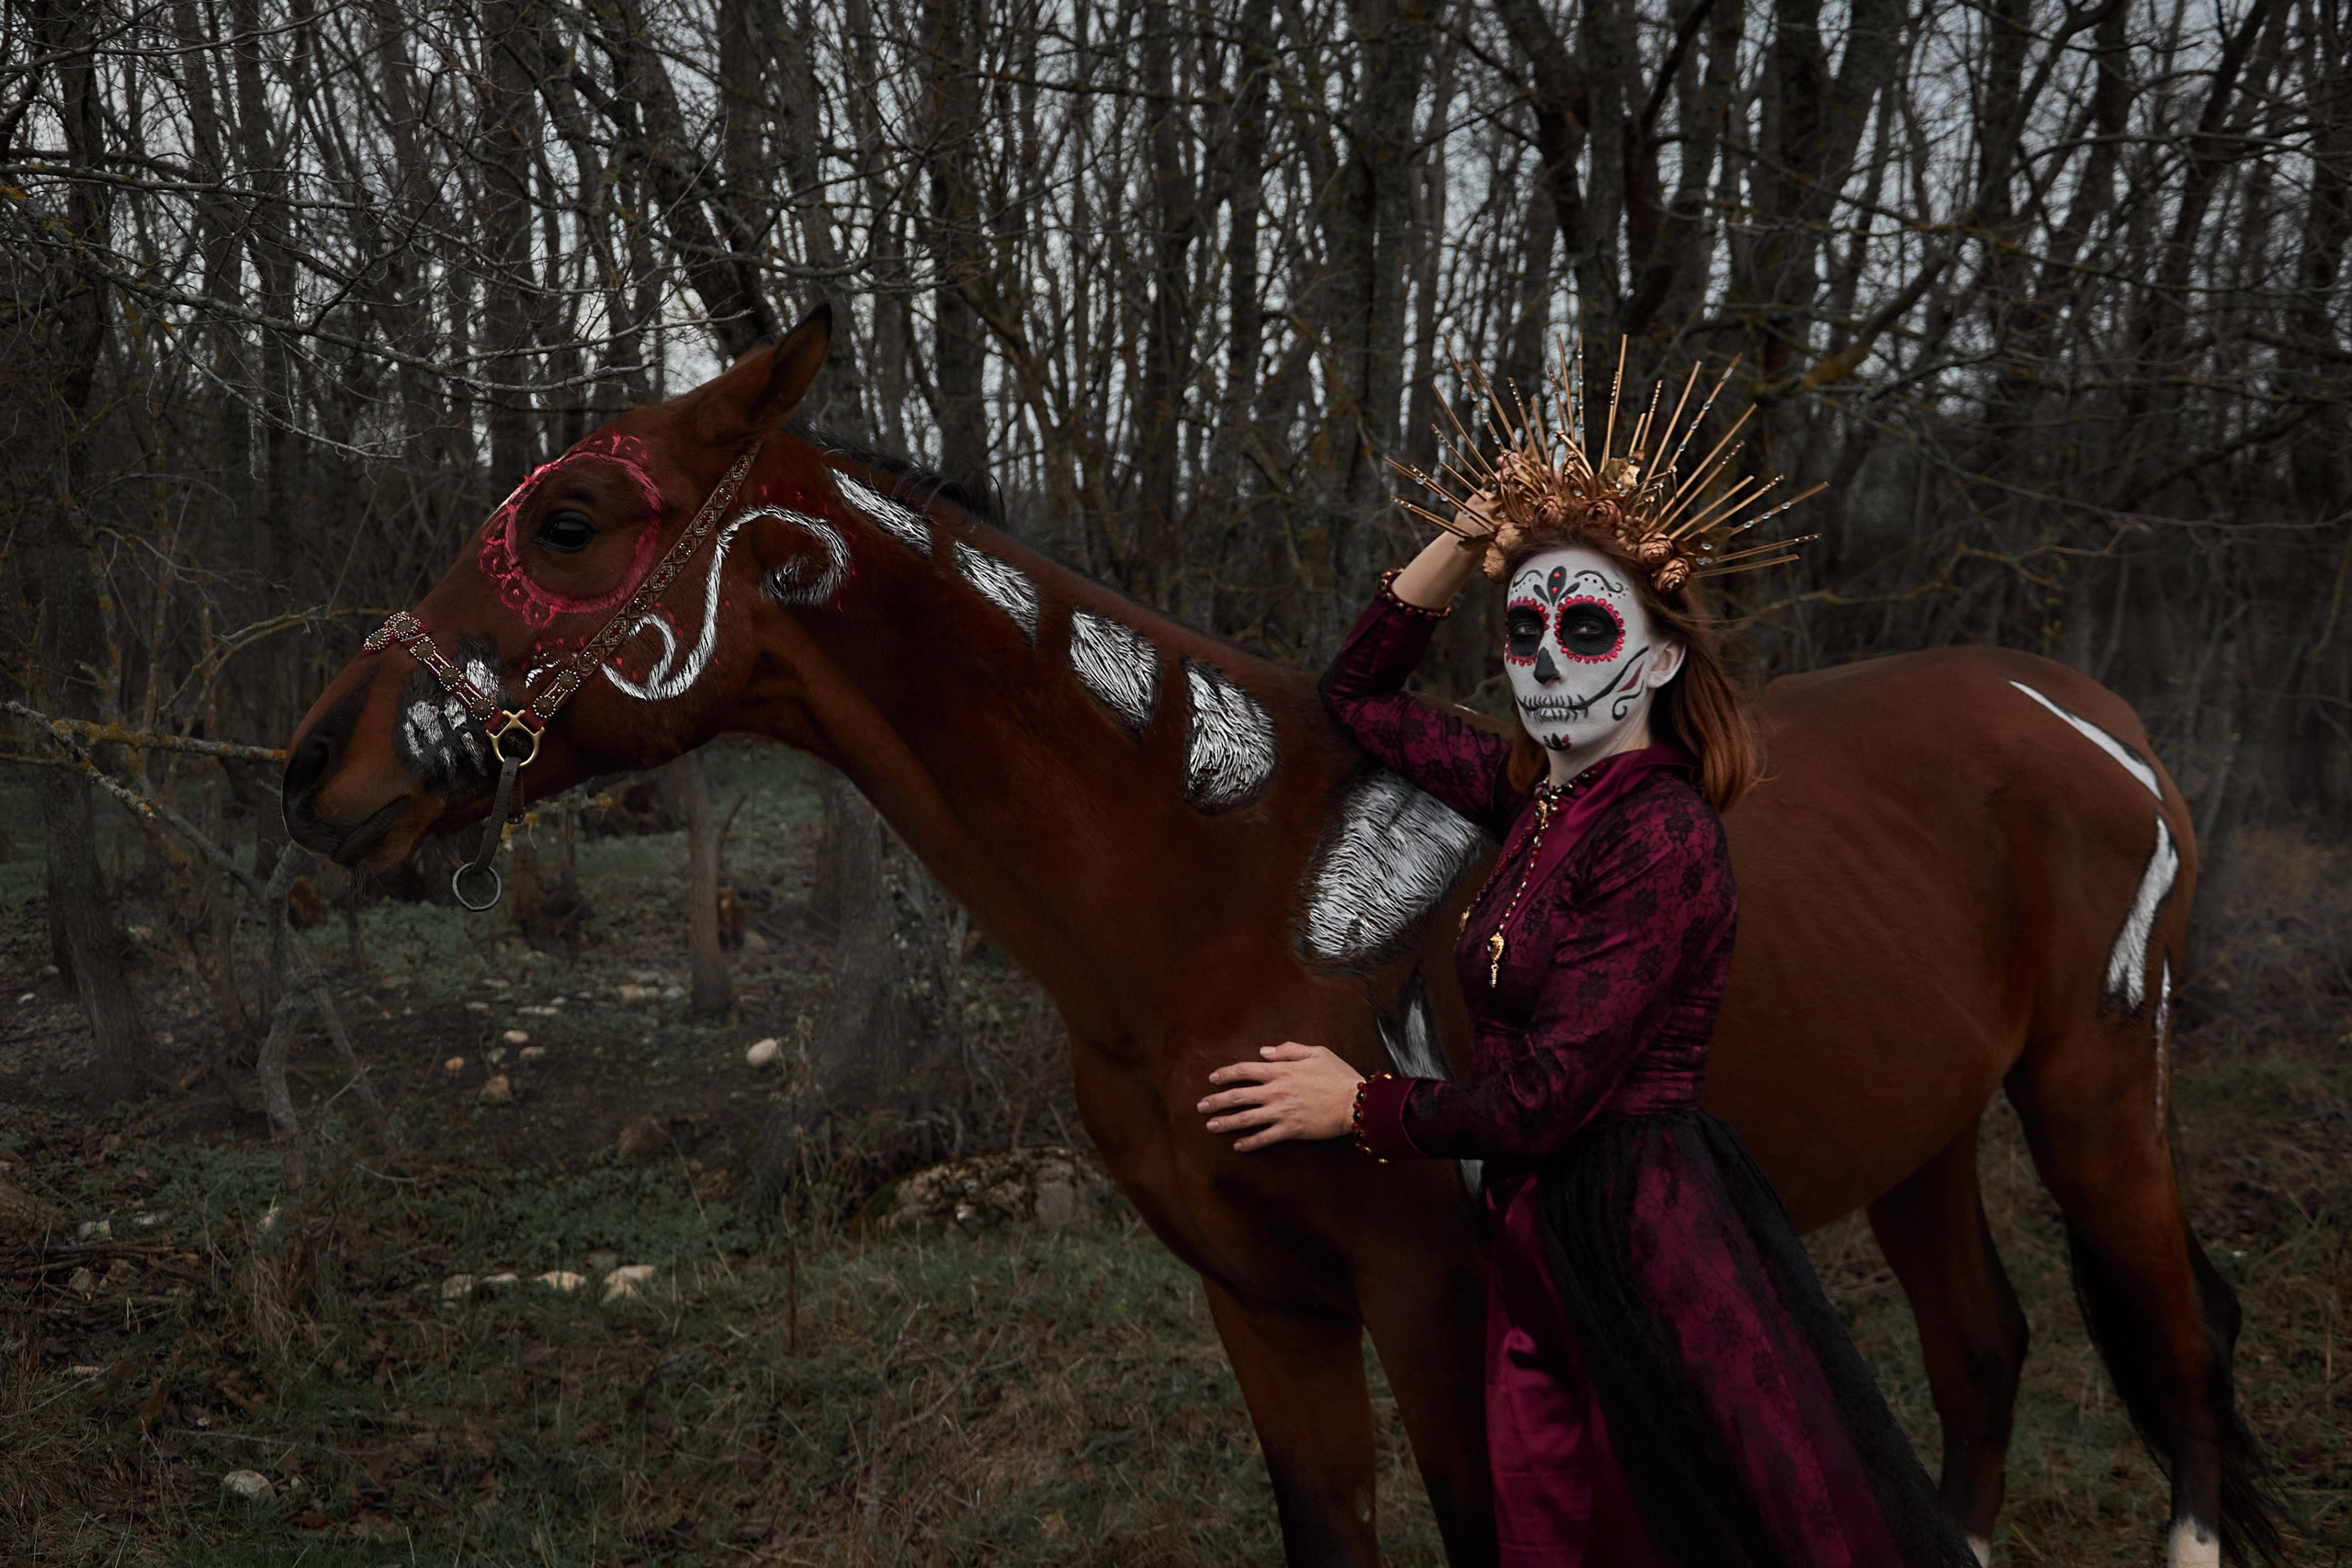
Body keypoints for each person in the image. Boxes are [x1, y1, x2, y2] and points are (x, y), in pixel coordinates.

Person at [1193, 355, 1980, 1568]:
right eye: (1525, 628)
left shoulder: (1663, 837)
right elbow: (1354, 688)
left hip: (1647, 1251)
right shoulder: (1534, 797)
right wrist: (1467, 535)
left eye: (1586, 625)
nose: (1548, 655)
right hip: (1538, 1247)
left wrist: (1359, 1104)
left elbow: (1551, 1094)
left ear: (1657, 661)